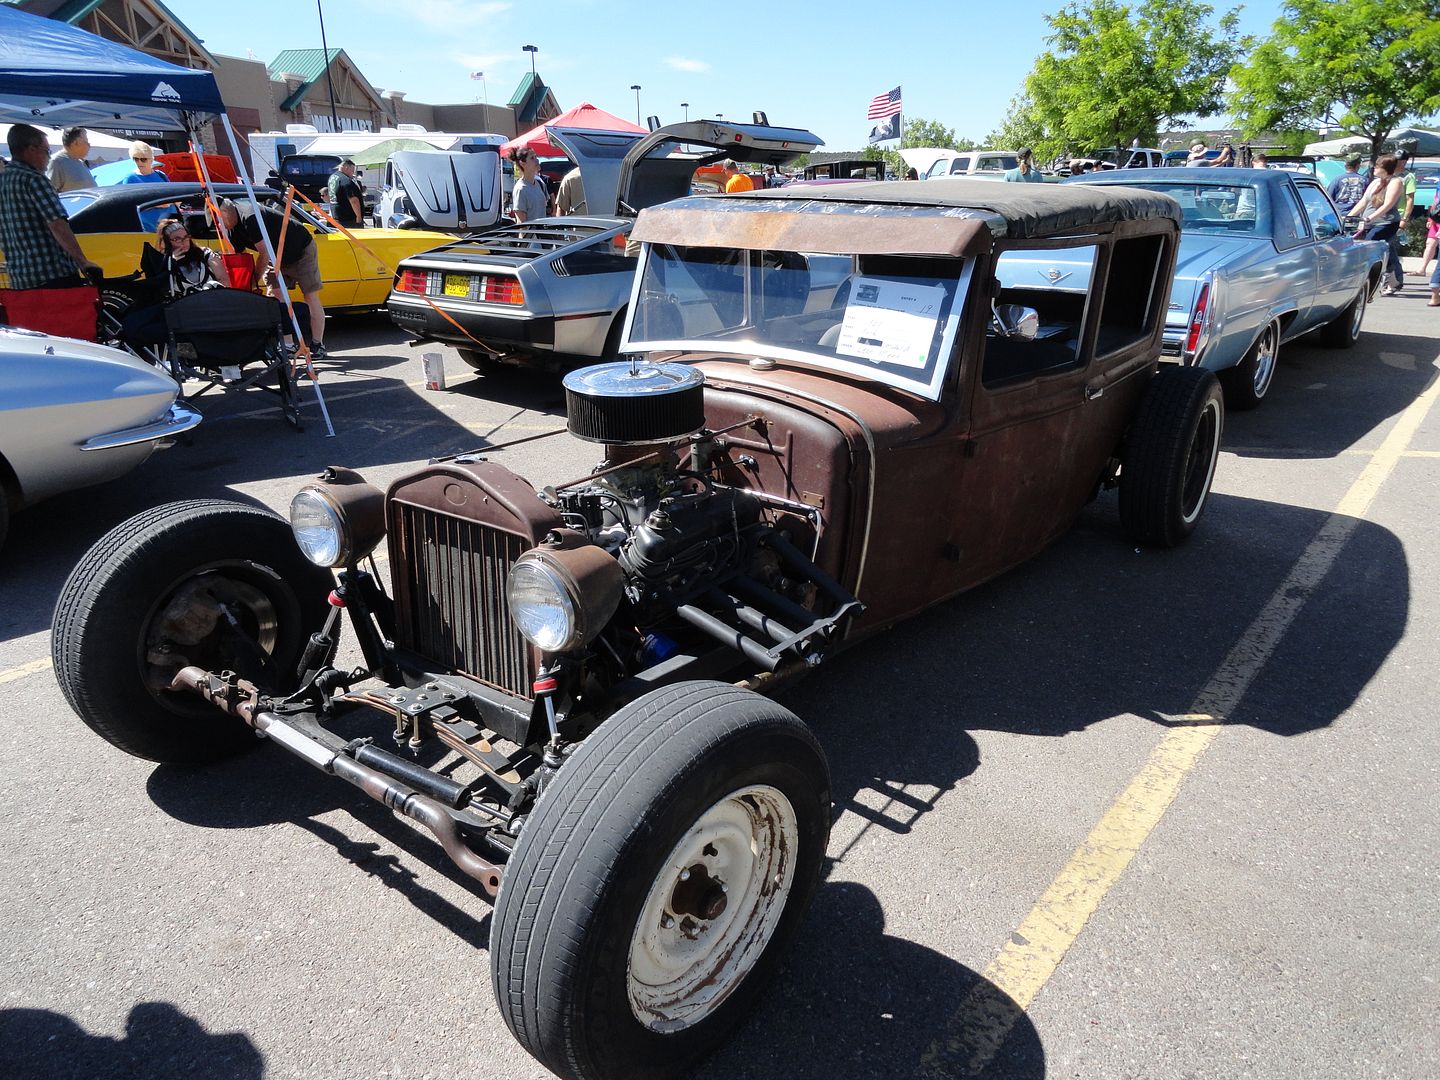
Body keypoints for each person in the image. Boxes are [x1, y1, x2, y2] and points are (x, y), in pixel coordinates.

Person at [217, 198, 327, 356]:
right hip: (275, 257)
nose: (218, 226)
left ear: (226, 213)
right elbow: (240, 260)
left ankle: (317, 344)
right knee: (276, 296)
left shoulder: (250, 218)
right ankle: (288, 344)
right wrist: (244, 285)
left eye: (219, 221)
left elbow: (264, 252)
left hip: (300, 250)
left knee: (310, 295)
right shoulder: (231, 229)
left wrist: (254, 280)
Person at [0, 122, 101, 290]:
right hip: (52, 275)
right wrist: (82, 261)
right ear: (31, 149)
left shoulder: (3, 180)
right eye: (46, 151)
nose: (48, 157)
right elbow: (57, 224)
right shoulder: (34, 179)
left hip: (19, 279)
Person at [1347, 155, 1405, 295]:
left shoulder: (1395, 182)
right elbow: (1363, 202)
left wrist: (1369, 218)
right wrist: (1349, 217)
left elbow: (1388, 205)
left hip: (1386, 223)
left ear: (1386, 168)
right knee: (1385, 250)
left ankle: (1369, 280)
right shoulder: (1375, 182)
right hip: (1369, 223)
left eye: (1378, 166)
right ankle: (1394, 280)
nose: (1374, 168)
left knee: (1370, 245)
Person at [47, 127, 95, 193]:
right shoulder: (57, 162)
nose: (89, 146)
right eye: (86, 142)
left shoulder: (80, 162)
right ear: (75, 142)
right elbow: (51, 192)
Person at [509, 147, 547, 223]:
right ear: (523, 163)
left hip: (543, 230)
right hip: (531, 231)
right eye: (532, 158)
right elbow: (522, 223)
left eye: (536, 157)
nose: (537, 160)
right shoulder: (520, 189)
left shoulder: (540, 184)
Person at [326, 158, 363, 228]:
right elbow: (354, 200)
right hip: (348, 218)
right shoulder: (346, 181)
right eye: (352, 170)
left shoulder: (332, 177)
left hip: (336, 214)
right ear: (346, 167)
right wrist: (358, 217)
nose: (353, 173)